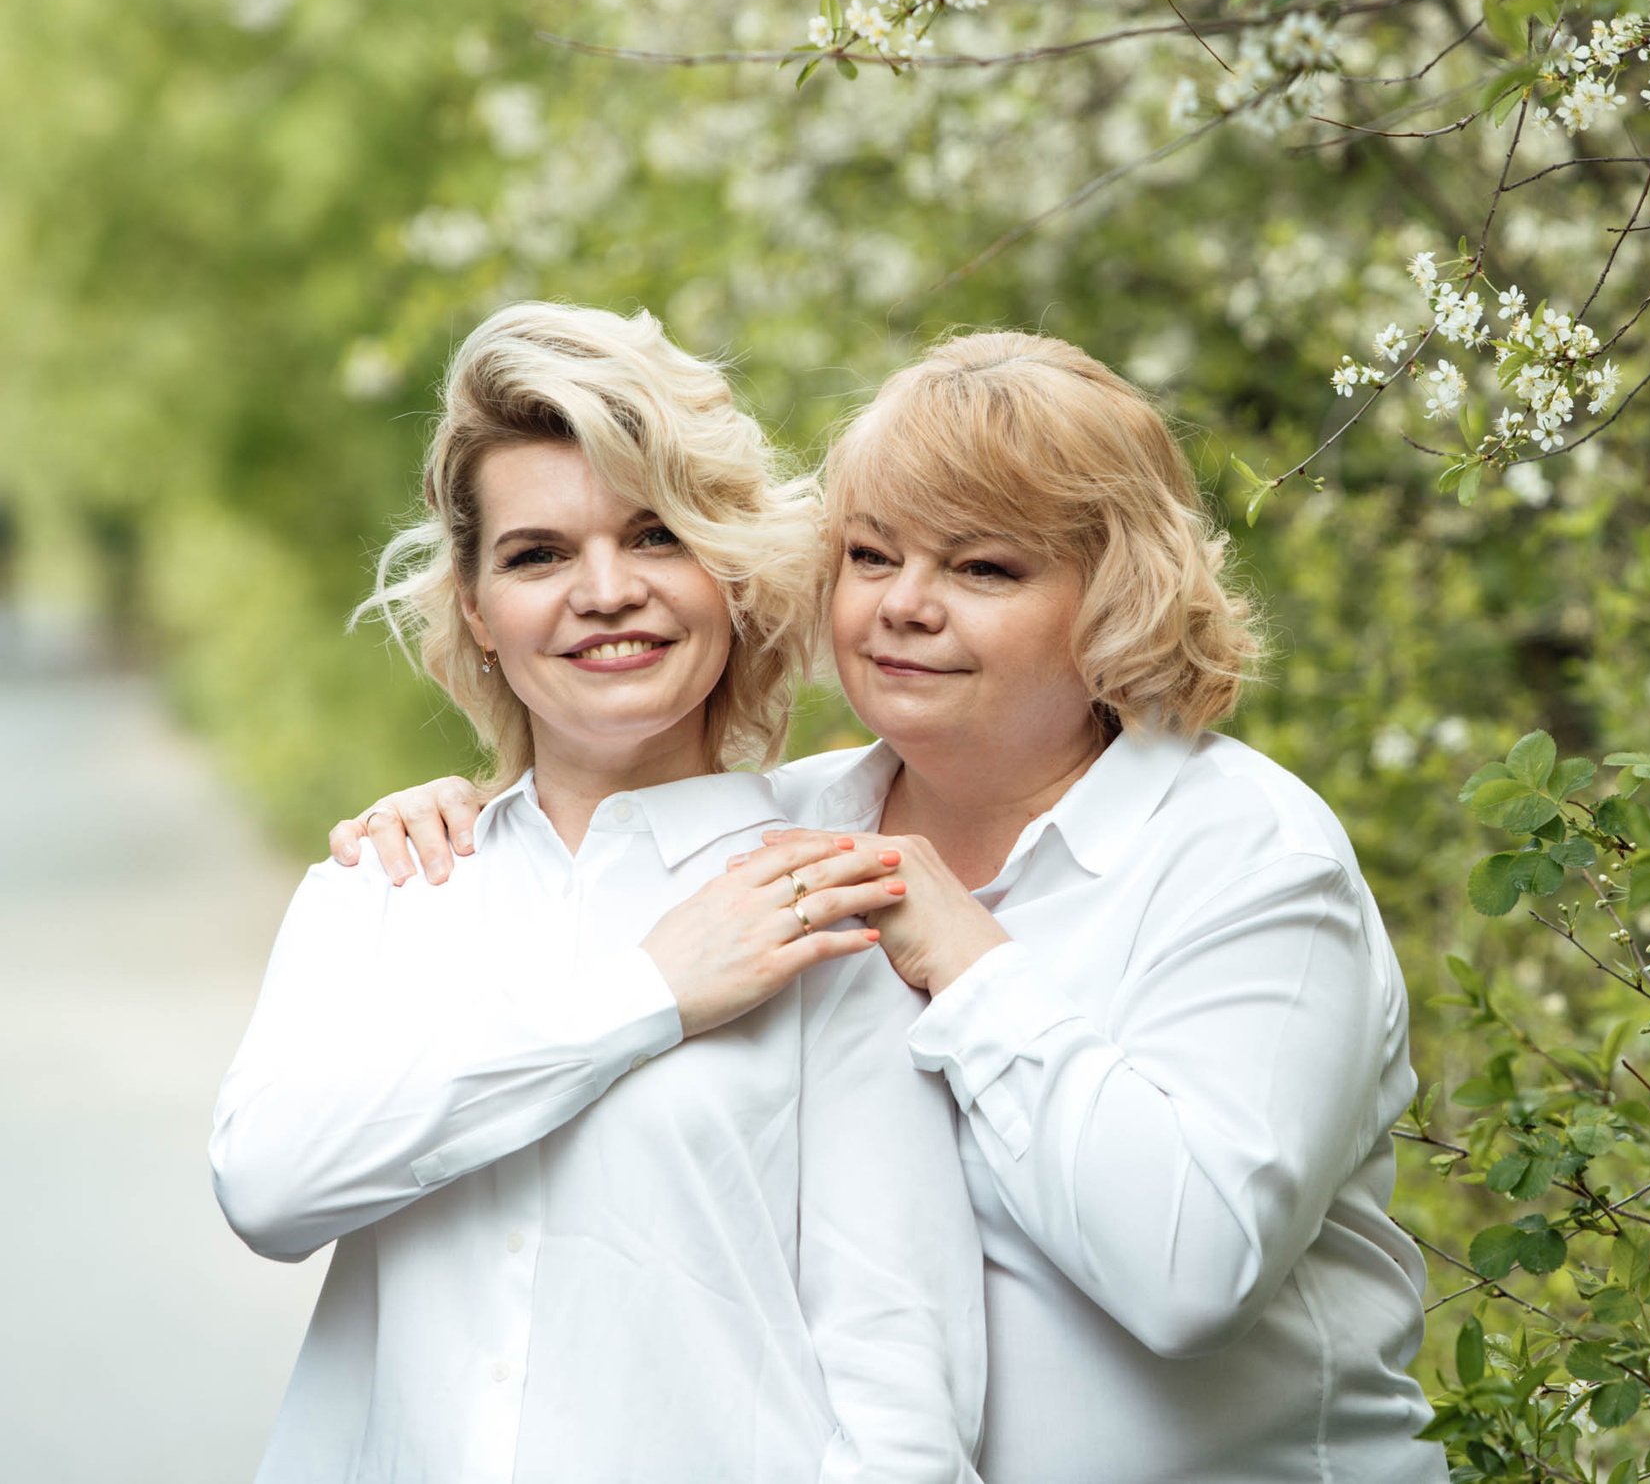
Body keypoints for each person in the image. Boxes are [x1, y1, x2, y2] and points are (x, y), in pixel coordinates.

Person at [337, 332, 1450, 1484]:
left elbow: (1191, 1275)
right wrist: (468, 816)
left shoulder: (1246, 856)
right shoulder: (784, 833)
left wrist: (973, 964)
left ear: (1118, 596)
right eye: (872, 556)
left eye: (983, 570)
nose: (904, 607)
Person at [217, 303, 985, 1484]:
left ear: (725, 574)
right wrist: (646, 993)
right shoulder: (388, 882)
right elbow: (270, 1188)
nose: (606, 590)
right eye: (538, 555)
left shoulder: (824, 903)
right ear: (476, 604)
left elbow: (898, 1372)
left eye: (656, 537)